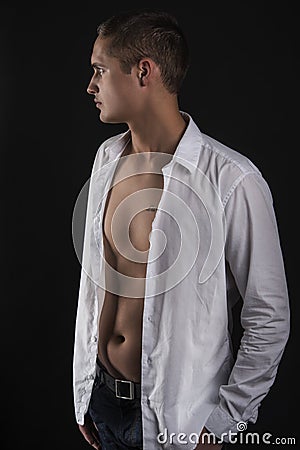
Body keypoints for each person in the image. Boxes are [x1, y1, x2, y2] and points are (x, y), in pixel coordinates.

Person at [72, 9, 290, 450]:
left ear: (143, 71)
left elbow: (269, 317)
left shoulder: (231, 180)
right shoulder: (106, 160)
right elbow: (95, 289)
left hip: (179, 421)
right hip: (102, 406)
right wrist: (84, 394)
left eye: (99, 70)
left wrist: (224, 423)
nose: (90, 86)